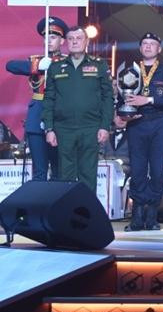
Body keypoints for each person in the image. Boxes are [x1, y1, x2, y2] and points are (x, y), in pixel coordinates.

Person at [116, 32, 163, 231]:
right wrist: (122, 114)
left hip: (159, 122)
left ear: (159, 49)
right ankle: (137, 216)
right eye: (144, 43)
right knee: (137, 170)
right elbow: (121, 97)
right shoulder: (130, 70)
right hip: (136, 123)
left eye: (152, 44)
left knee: (157, 170)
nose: (148, 46)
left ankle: (152, 215)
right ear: (140, 48)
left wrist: (149, 100)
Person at [42, 25, 114, 191]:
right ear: (66, 42)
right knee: (64, 177)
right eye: (71, 39)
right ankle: (66, 208)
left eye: (79, 38)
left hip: (90, 127)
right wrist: (49, 129)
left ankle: (85, 208)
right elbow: (49, 99)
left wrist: (105, 126)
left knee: (88, 175)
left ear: (86, 41)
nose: (75, 42)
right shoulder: (55, 67)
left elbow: (108, 98)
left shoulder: (99, 65)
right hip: (63, 129)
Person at [5, 16, 68, 181]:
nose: (49, 41)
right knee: (39, 172)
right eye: (46, 37)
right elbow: (10, 65)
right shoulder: (37, 61)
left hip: (58, 117)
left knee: (58, 171)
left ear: (62, 41)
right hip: (37, 116)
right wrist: (37, 66)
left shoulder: (68, 62)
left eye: (53, 37)